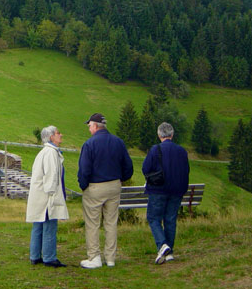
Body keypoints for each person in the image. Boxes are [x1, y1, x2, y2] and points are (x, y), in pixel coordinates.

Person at [77, 113, 133, 269]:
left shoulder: (89, 144)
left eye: (89, 126)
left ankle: (94, 257)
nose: (89, 129)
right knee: (111, 222)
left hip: (95, 187)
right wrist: (120, 179)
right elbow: (128, 167)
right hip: (114, 185)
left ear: (95, 126)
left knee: (93, 223)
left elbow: (84, 170)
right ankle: (110, 258)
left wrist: (83, 185)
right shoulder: (118, 142)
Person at [142, 122, 190, 264]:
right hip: (177, 190)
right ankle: (169, 251)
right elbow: (186, 170)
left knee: (153, 218)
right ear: (172, 134)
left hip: (158, 189)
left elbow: (146, 168)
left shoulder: (155, 150)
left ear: (159, 135)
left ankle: (162, 244)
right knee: (170, 220)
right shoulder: (181, 151)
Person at [26, 125, 69, 268]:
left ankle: (35, 256)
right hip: (47, 196)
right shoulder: (51, 153)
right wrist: (53, 196)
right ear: (51, 137)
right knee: (49, 225)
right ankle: (49, 258)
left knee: (38, 224)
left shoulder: (44, 152)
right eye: (58, 133)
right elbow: (51, 176)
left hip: (39, 195)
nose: (61, 135)